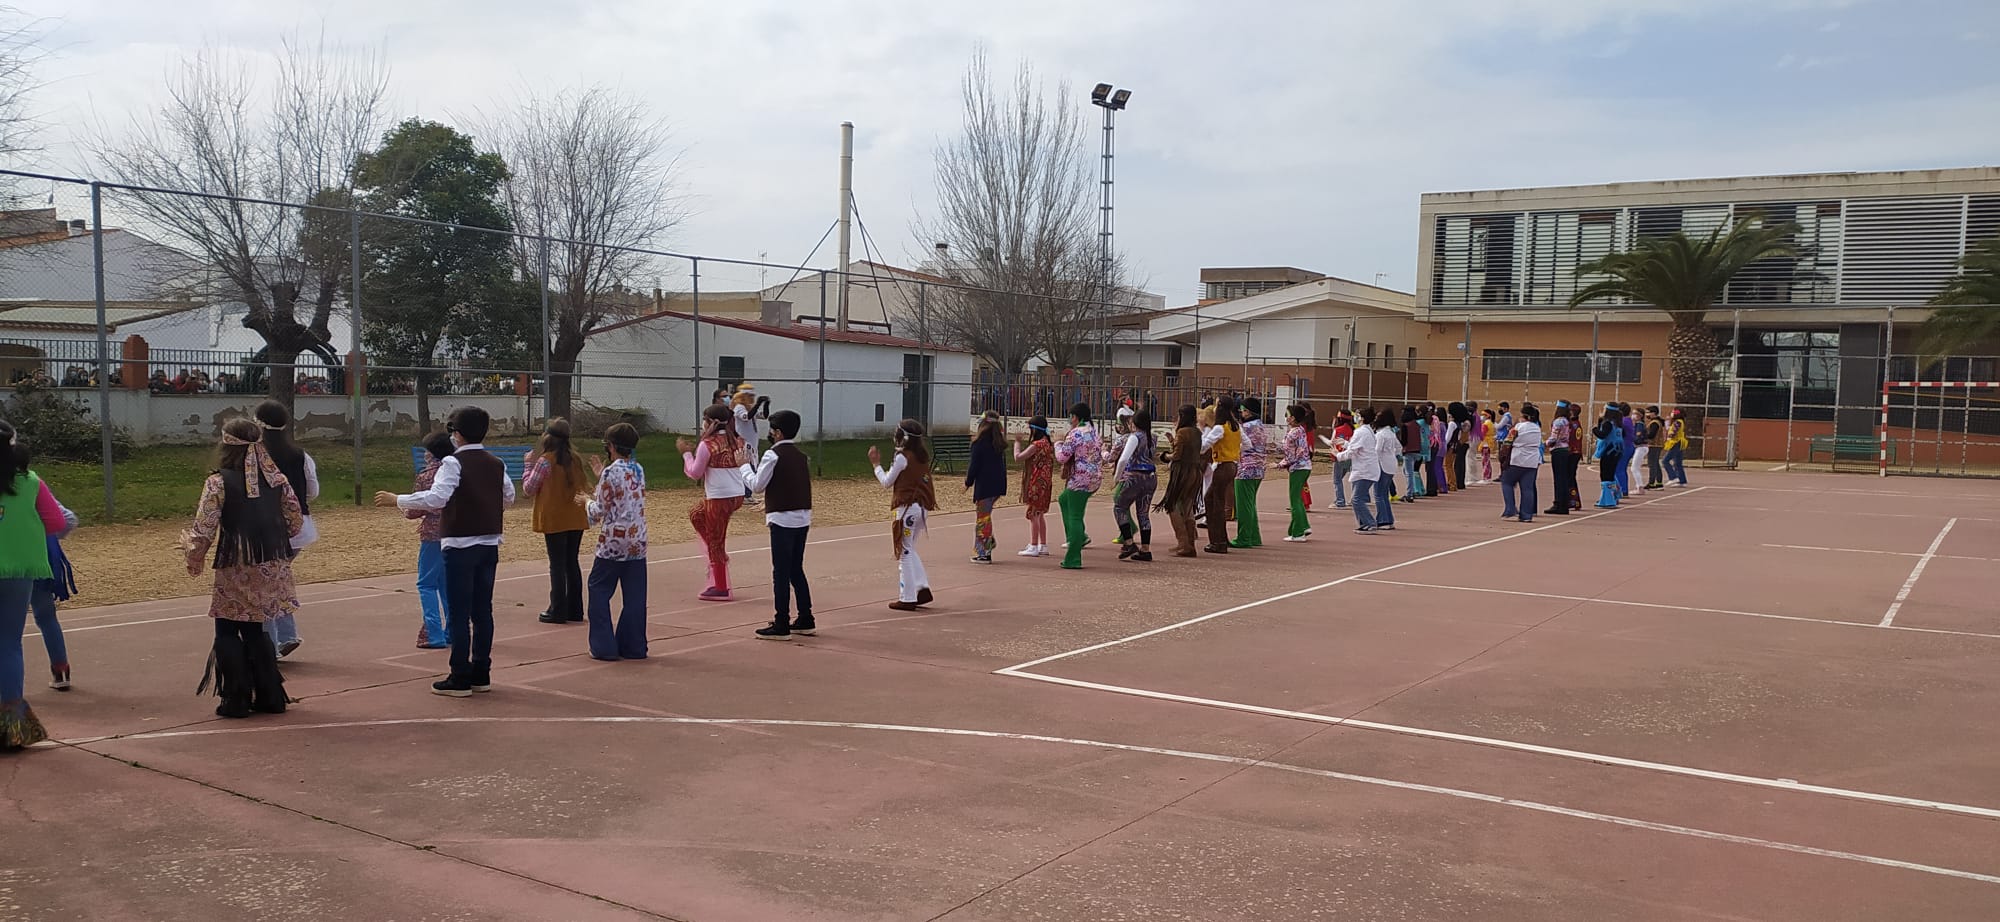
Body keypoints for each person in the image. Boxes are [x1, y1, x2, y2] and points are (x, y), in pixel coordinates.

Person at [377, 406, 516, 698]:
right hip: (489, 542)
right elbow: (509, 497)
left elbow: (438, 497)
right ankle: (481, 671)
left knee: (458, 610)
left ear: (457, 433)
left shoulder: (453, 463)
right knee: (482, 611)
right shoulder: (496, 462)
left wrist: (398, 499)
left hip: (460, 544)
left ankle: (459, 675)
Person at [185, 417, 301, 719]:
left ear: (226, 444)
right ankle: (270, 695)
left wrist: (192, 554)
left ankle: (235, 698)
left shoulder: (218, 482)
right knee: (255, 627)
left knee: (226, 626)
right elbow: (295, 520)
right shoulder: (277, 479)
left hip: (236, 561)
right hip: (269, 561)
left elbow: (205, 527)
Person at [1, 420, 66, 748]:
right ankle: (12, 724)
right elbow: (57, 521)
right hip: (19, 569)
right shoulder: (30, 481)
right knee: (9, 643)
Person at [253, 401, 317, 659]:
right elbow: (313, 491)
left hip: (266, 528)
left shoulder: (254, 456)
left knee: (265, 583)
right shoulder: (301, 455)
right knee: (276, 578)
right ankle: (286, 635)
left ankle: (271, 644)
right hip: (299, 529)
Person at [584, 423, 649, 660]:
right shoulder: (638, 469)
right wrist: (601, 476)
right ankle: (633, 645)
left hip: (613, 542)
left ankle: (603, 646)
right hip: (637, 539)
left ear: (610, 446)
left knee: (599, 590)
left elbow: (600, 509)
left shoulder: (611, 473)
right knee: (635, 596)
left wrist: (586, 502)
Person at [750, 410, 813, 639]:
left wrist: (744, 467)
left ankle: (781, 622)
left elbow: (758, 485)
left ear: (777, 433)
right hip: (802, 516)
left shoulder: (772, 455)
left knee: (781, 572)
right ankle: (806, 617)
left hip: (782, 519)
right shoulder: (800, 455)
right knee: (796, 568)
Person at [524, 418, 589, 624]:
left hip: (554, 517)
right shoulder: (575, 459)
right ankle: (575, 608)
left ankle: (557, 608)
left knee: (557, 564)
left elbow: (528, 489)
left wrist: (527, 465)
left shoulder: (545, 461)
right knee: (572, 562)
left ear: (548, 437)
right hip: (575, 515)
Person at [682, 404, 749, 602]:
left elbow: (695, 472)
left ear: (710, 422)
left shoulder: (708, 444)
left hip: (719, 497)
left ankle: (721, 586)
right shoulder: (737, 440)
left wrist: (686, 455)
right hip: (736, 494)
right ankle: (715, 550)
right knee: (696, 514)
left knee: (716, 538)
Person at [871, 419, 938, 610]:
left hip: (907, 508)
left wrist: (876, 465)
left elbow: (887, 482)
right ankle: (921, 586)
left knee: (904, 553)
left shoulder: (902, 457)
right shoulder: (921, 456)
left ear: (904, 436)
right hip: (921, 509)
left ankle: (907, 597)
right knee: (910, 548)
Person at [404, 431, 455, 649]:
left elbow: (413, 510)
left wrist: (406, 506)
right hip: (454, 532)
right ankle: (453, 630)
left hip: (433, 534)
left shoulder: (426, 476)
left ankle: (433, 633)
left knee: (426, 583)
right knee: (446, 585)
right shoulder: (456, 471)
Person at [1053, 403, 1103, 569]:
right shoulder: (1094, 432)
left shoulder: (1075, 434)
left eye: (1071, 416)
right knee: (1063, 499)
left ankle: (1073, 557)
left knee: (1075, 515)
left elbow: (1062, 457)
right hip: (1094, 477)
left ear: (1075, 417)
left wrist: (1057, 443)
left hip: (1080, 479)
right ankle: (1079, 537)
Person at [1110, 408, 1158, 562]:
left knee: (1119, 507)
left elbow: (1124, 459)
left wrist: (1117, 477)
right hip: (1151, 477)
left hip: (1135, 477)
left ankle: (1129, 542)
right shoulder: (1153, 437)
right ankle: (1146, 549)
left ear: (1134, 423)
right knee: (1143, 513)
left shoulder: (1134, 437)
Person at [1158, 405, 1204, 558]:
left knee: (1173, 506)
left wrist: (1165, 456)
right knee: (1188, 506)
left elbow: (1177, 456)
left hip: (1182, 473)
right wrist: (1173, 441)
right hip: (1196, 472)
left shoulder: (1182, 432)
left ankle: (1183, 543)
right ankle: (1189, 543)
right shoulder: (1197, 432)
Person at [964, 411, 1008, 564]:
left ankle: (983, 552)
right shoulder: (999, 443)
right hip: (997, 484)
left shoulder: (979, 443)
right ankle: (989, 542)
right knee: (985, 515)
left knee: (982, 518)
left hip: (985, 485)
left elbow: (974, 466)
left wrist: (968, 482)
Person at [1201, 396, 1240, 553]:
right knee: (1216, 500)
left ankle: (1217, 541)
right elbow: (1247, 443)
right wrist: (1233, 451)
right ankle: (1222, 538)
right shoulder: (1235, 426)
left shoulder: (1219, 428)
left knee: (1213, 501)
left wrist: (1200, 437)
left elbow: (1204, 446)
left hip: (1223, 465)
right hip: (1232, 464)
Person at [1230, 398, 1269, 549]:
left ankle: (1244, 537)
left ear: (1248, 411)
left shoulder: (1244, 427)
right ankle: (1254, 535)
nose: (1242, 413)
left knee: (1243, 506)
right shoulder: (1260, 425)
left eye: (1244, 410)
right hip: (1259, 468)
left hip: (1245, 468)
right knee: (1250, 504)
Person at [1012, 417, 1054, 557]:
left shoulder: (1036, 444)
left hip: (1036, 481)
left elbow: (1018, 457)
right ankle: (1043, 544)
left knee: (1033, 514)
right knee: (1040, 513)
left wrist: (1017, 442)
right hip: (1045, 481)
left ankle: (1034, 545)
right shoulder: (1047, 443)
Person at [1334, 408, 1379, 534]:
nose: (1356, 418)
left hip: (1365, 470)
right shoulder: (1367, 431)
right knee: (1357, 498)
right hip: (1365, 469)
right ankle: (1364, 524)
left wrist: (1338, 455)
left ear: (1362, 418)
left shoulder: (1361, 432)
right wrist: (1346, 443)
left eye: (1358, 416)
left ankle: (1370, 523)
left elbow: (1352, 451)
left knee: (1356, 499)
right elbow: (1358, 446)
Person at [1500, 403, 1543, 523]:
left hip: (1517, 458)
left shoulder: (1518, 427)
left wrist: (1503, 455)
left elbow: (1508, 441)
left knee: (1507, 482)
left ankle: (1510, 509)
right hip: (1532, 461)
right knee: (1527, 488)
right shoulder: (1537, 428)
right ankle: (1527, 514)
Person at [1281, 404, 1315, 542]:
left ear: (1293, 418)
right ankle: (1303, 526)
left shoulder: (1292, 433)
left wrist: (1279, 464)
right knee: (1298, 500)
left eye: (1287, 415)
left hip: (1298, 468)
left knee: (1294, 500)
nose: (1286, 417)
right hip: (1305, 466)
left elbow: (1291, 456)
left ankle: (1298, 532)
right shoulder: (1300, 430)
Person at [732, 383, 768, 506]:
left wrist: (765, 404)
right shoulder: (739, 407)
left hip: (753, 443)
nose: (752, 398)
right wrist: (757, 404)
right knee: (748, 467)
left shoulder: (750, 407)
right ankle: (745, 495)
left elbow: (763, 416)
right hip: (745, 442)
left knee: (753, 466)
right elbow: (747, 417)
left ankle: (747, 494)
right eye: (750, 396)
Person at [1369, 409, 1401, 530]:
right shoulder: (1391, 433)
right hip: (1391, 464)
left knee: (1378, 494)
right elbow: (1399, 448)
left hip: (1382, 465)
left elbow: (1376, 450)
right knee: (1384, 493)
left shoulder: (1381, 434)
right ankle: (1389, 519)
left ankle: (1383, 520)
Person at [1544, 401, 1576, 516]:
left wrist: (1544, 444)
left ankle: (1559, 504)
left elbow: (1553, 438)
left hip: (1558, 450)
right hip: (1565, 450)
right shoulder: (1567, 421)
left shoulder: (1558, 421)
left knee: (1558, 479)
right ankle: (1564, 504)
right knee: (1563, 478)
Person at [1593, 407, 1624, 508]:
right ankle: (1613, 496)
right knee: (1611, 475)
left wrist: (1594, 429)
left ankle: (1607, 500)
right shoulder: (1618, 424)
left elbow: (1602, 435)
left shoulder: (1608, 424)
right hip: (1617, 451)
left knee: (1605, 475)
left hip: (1609, 451)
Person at [1398, 407, 1424, 503]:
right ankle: (1411, 491)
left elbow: (1404, 441)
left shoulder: (1405, 426)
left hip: (1408, 450)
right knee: (1408, 471)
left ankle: (1410, 493)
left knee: (1408, 473)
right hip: (1417, 450)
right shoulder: (1417, 424)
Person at [1330, 410, 1355, 508]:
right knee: (1340, 478)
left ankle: (1340, 501)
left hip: (1339, 456)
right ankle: (1345, 499)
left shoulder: (1338, 429)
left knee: (1337, 480)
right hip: (1349, 457)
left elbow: (1333, 442)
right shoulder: (1353, 429)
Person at [1662, 408, 1690, 487]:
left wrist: (1668, 434)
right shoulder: (1679, 422)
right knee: (1677, 463)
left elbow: (1674, 432)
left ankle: (1673, 477)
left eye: (1673, 412)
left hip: (1676, 443)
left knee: (1665, 461)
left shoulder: (1677, 422)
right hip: (1679, 443)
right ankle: (1682, 480)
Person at [1616, 403, 1637, 499]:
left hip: (1625, 446)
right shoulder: (1628, 420)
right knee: (1622, 469)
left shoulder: (1623, 421)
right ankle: (1623, 489)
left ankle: (1622, 490)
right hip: (1629, 446)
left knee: (1619, 469)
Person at [1643, 407, 1666, 490]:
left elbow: (1651, 435)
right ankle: (1659, 482)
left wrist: (1643, 435)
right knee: (1656, 463)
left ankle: (1652, 482)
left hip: (1654, 445)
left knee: (1652, 464)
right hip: (1657, 445)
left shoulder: (1654, 423)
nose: (1647, 415)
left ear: (1654, 413)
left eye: (1648, 412)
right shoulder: (1658, 422)